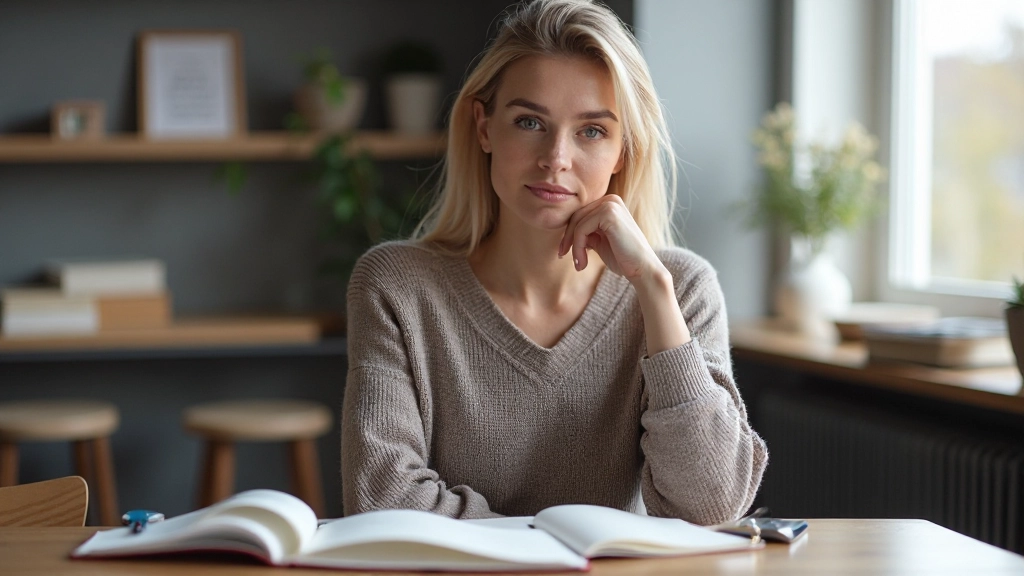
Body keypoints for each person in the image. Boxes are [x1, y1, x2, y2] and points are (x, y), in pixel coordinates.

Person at [341, 0, 767, 525]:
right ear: (484, 128)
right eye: (529, 121)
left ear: (624, 152)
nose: (556, 158)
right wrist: (552, 549)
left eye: (591, 131)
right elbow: (383, 499)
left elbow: (710, 505)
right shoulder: (397, 287)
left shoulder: (681, 288)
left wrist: (654, 288)